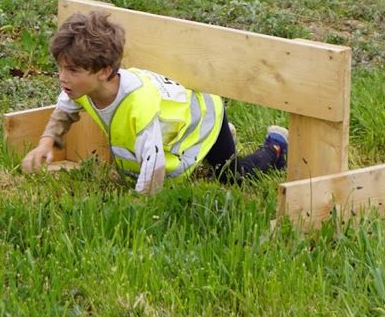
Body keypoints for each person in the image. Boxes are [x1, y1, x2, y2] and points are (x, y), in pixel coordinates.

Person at [21, 11, 289, 195]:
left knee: (230, 176)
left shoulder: (139, 104)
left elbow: (154, 165)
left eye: (73, 71)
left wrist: (141, 205)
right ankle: (220, 140)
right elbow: (65, 110)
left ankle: (276, 146)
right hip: (173, 123)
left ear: (103, 71)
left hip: (202, 117)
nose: (63, 79)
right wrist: (46, 142)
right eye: (61, 69)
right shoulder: (80, 90)